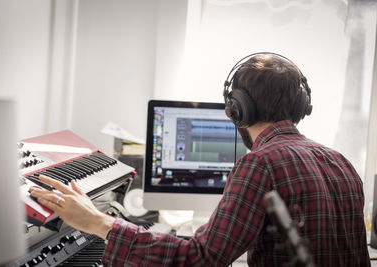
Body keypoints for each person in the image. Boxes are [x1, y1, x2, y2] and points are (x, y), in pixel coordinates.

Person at [30, 53, 370, 266]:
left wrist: (99, 223)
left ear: (236, 109)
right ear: (301, 107)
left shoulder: (261, 164)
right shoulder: (340, 162)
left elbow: (201, 258)